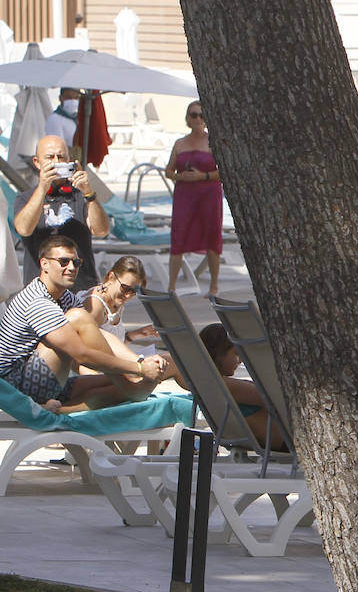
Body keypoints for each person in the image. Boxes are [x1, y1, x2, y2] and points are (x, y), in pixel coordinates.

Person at [0, 235, 167, 412]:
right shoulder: (37, 301)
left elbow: (98, 334)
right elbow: (81, 355)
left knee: (111, 385)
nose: (71, 267)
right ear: (44, 264)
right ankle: (131, 389)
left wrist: (138, 362)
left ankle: (125, 389)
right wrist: (139, 369)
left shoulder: (64, 296)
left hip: (39, 379)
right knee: (77, 318)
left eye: (76, 262)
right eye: (63, 261)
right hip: (13, 389)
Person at [12, 134, 109, 292]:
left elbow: (101, 230)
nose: (56, 162)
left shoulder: (81, 197)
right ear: (37, 162)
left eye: (61, 157)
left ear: (69, 160)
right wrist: (43, 188)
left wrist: (89, 193)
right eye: (50, 157)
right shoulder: (26, 199)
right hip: (40, 292)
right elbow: (23, 229)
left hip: (81, 289)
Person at [195, 323, 287, 451]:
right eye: (235, 353)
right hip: (284, 441)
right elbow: (276, 398)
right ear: (220, 353)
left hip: (272, 440)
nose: (240, 360)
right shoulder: (224, 385)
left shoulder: (209, 384)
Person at [164, 100, 223, 297]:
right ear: (187, 118)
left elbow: (223, 172)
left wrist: (202, 176)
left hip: (209, 194)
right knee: (178, 236)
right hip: (185, 195)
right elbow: (169, 170)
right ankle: (171, 287)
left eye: (201, 115)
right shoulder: (180, 143)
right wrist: (183, 176)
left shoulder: (213, 141)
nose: (197, 119)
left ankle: (214, 286)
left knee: (212, 236)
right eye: (193, 115)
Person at [76, 255, 157, 367]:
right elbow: (89, 356)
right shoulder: (95, 305)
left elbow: (110, 344)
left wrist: (137, 334)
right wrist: (136, 366)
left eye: (134, 291)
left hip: (111, 366)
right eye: (125, 288)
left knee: (166, 361)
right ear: (111, 277)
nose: (128, 295)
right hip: (98, 370)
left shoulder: (115, 301)